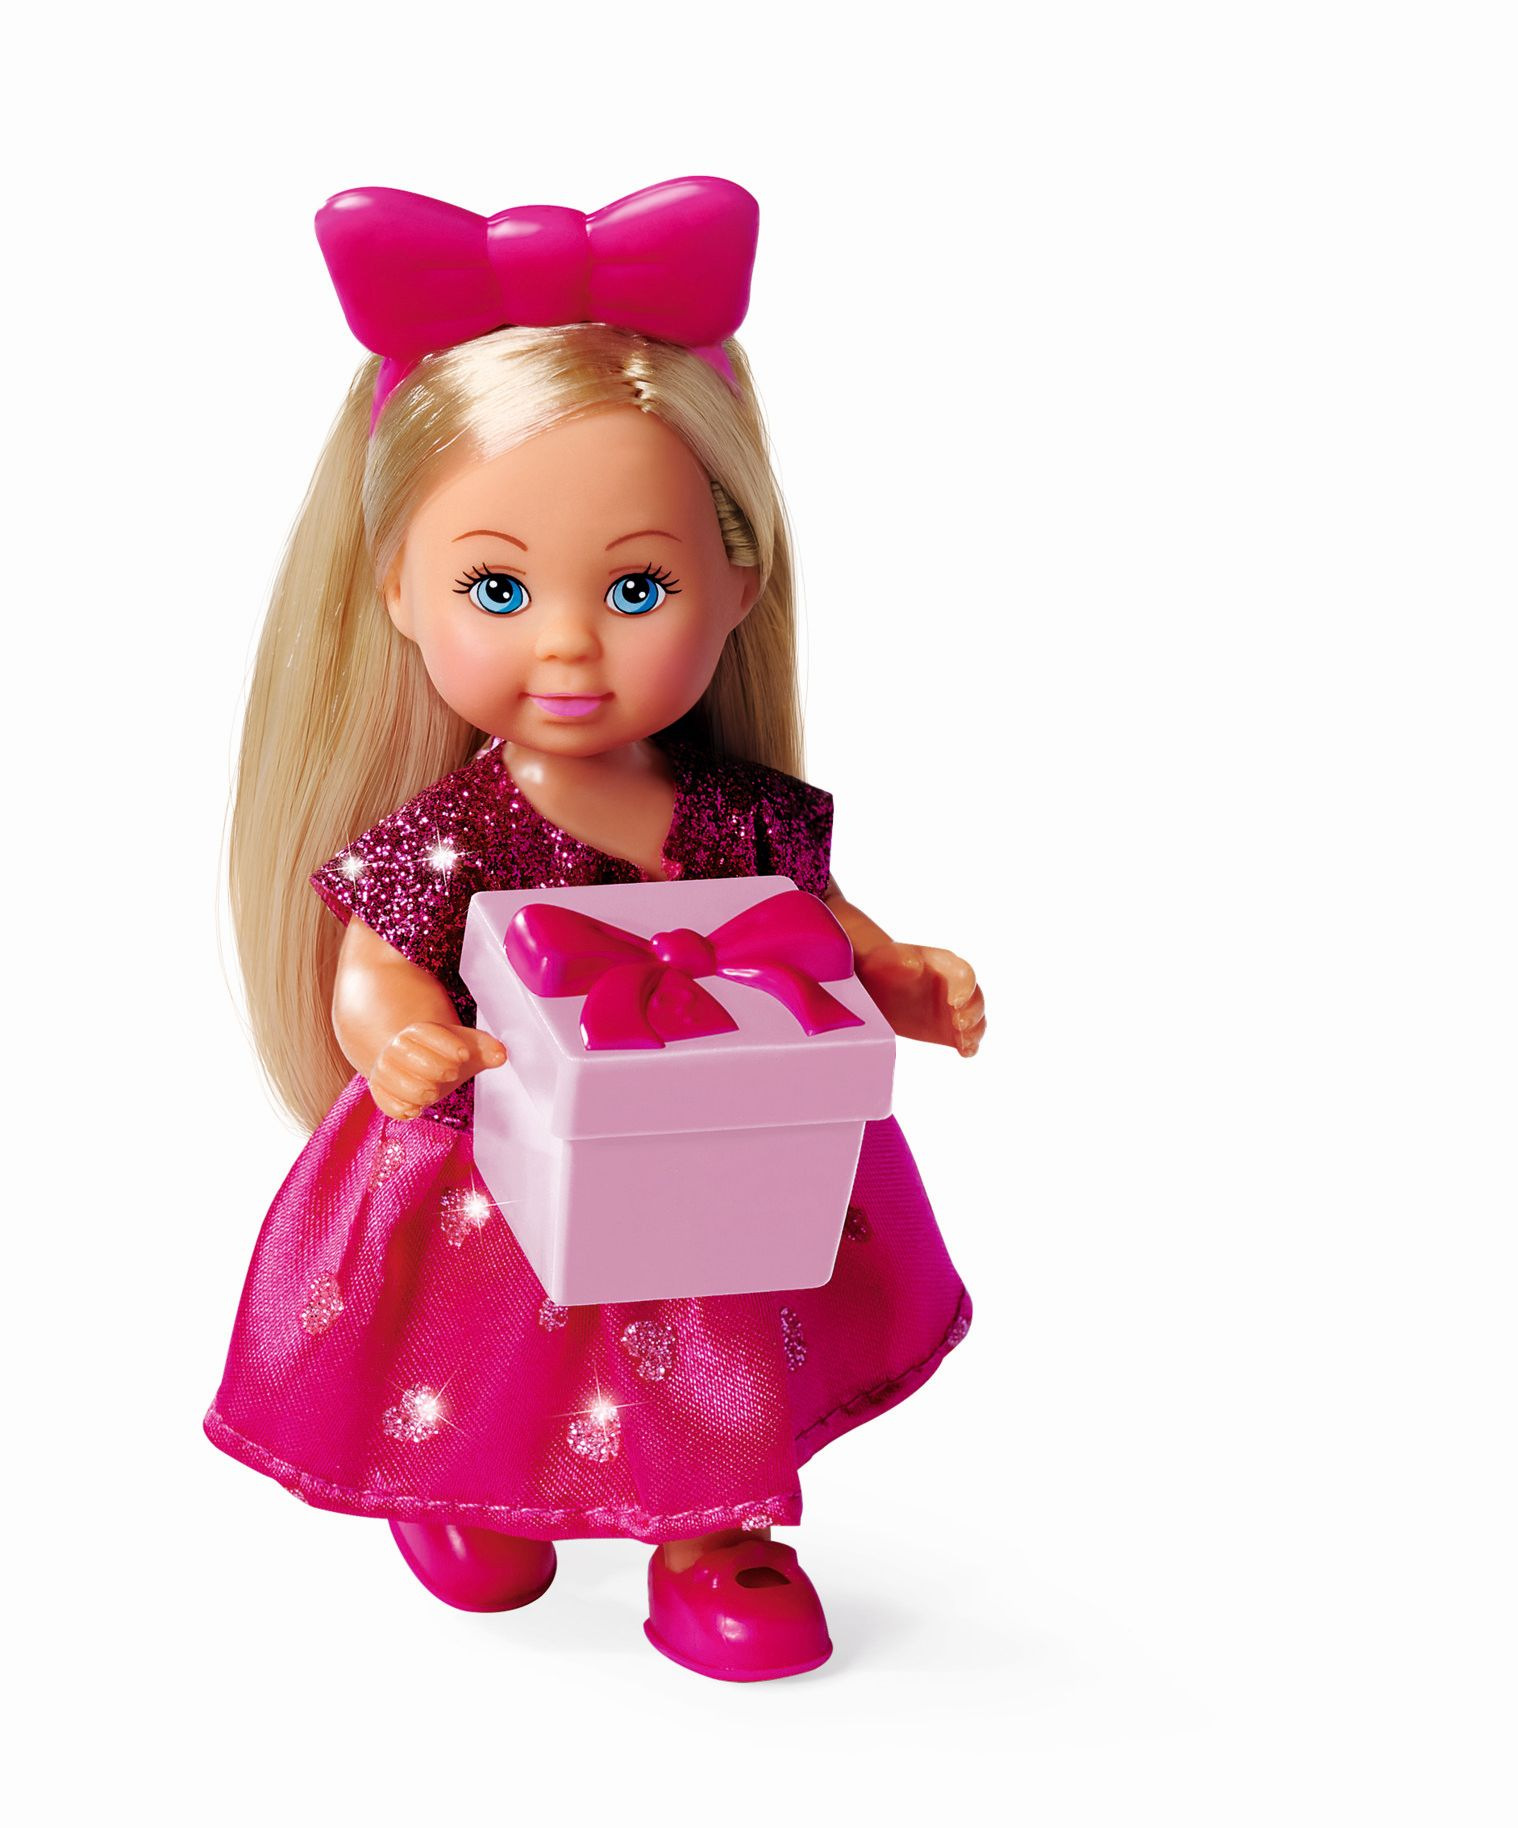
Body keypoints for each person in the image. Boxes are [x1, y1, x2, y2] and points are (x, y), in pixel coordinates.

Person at [207, 178, 984, 1682]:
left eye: (637, 586)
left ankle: (715, 1532)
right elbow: (374, 964)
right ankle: (471, 1480)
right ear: (398, 590)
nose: (568, 640)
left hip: (707, 1139)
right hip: (501, 1146)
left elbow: (808, 922)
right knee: (498, 1330)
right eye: (497, 587)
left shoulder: (736, 808)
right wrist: (401, 1038)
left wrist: (894, 975)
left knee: (715, 1319)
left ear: (738, 582)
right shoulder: (458, 832)